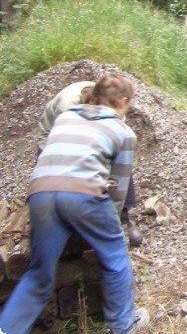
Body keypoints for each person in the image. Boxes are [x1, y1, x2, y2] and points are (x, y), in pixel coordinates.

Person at [0, 74, 150, 334]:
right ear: (123, 101)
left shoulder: (67, 117)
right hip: (85, 193)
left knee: (38, 274)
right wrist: (106, 227)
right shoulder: (124, 133)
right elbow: (118, 188)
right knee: (115, 257)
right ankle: (124, 325)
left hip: (40, 192)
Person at [37, 81, 143, 248]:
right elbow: (69, 144)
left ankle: (125, 219)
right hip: (51, 136)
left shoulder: (110, 102)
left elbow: (118, 135)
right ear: (90, 102)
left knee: (118, 162)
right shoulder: (67, 108)